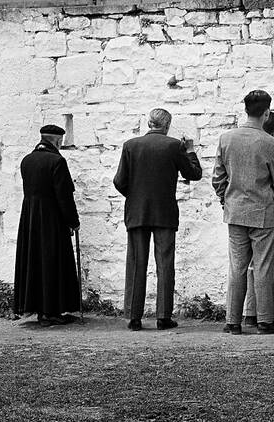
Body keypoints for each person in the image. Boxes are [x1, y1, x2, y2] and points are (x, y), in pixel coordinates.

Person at [113, 108, 202, 331]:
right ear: (167, 125)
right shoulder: (173, 146)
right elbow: (194, 174)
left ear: (149, 123)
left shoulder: (130, 145)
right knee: (165, 264)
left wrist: (135, 196)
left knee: (136, 263)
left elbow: (119, 181)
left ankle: (134, 317)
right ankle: (163, 316)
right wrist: (190, 150)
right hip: (164, 212)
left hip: (137, 212)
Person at [212, 91, 274, 335]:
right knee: (263, 266)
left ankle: (232, 321)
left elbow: (218, 179)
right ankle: (265, 321)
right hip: (264, 213)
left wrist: (226, 201)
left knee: (236, 266)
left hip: (236, 212)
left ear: (245, 110)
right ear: (267, 113)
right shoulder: (272, 144)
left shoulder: (226, 139)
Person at [14, 125, 81, 327]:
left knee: (35, 260)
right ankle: (51, 310)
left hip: (30, 217)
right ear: (57, 141)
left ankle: (40, 309)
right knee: (52, 261)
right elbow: (64, 195)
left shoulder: (27, 160)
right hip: (51, 218)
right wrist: (73, 221)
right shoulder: (57, 161)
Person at [242, 112, 274, 332]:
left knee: (248, 267)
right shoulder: (273, 147)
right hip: (268, 215)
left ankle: (249, 313)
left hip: (240, 214)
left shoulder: (239, 144)